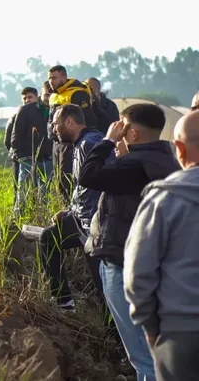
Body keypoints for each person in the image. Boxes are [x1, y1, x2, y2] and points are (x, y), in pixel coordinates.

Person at [80, 104, 179, 381]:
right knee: (156, 350)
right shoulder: (167, 161)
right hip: (157, 264)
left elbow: (87, 175)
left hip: (123, 264)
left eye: (123, 126)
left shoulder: (132, 166)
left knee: (142, 356)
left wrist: (108, 140)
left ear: (133, 134)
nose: (119, 130)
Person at [124, 110, 199, 381]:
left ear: (178, 148)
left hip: (180, 336)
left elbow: (137, 276)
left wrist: (151, 328)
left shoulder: (163, 200)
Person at [38, 104, 109, 311]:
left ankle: (117, 338)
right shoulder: (79, 144)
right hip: (80, 218)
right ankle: (64, 302)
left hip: (94, 225)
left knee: (104, 289)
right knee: (48, 238)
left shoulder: (91, 143)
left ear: (69, 122)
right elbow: (82, 188)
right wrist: (70, 211)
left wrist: (93, 226)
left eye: (56, 124)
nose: (54, 129)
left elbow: (102, 184)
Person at [47, 66, 96, 203]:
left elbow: (88, 120)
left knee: (67, 179)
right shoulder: (54, 96)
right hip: (56, 143)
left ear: (63, 77)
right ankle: (64, 210)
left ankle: (73, 212)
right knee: (59, 181)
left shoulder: (77, 93)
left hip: (71, 143)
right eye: (49, 78)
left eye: (54, 77)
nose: (51, 81)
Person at [11, 86, 53, 211]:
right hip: (28, 159)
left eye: (51, 95)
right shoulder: (25, 110)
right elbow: (15, 136)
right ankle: (17, 224)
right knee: (23, 194)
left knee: (45, 195)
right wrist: (22, 156)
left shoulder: (56, 110)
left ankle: (42, 222)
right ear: (41, 94)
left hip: (48, 160)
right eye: (46, 95)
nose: (48, 98)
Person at [5, 87, 38, 200]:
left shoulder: (41, 114)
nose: (27, 100)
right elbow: (8, 140)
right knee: (20, 190)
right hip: (20, 159)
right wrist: (18, 153)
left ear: (36, 98)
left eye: (30, 97)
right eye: (24, 98)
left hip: (40, 159)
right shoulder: (15, 117)